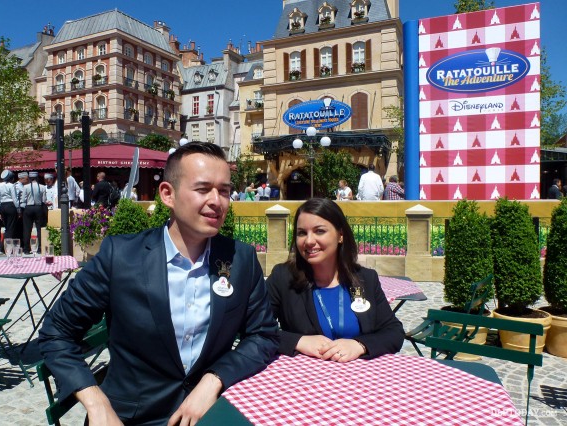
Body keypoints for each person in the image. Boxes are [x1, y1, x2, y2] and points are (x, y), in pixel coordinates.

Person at [39, 141, 279, 425]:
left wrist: (214, 380)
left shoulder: (241, 258)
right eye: (203, 189)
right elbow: (57, 333)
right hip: (129, 417)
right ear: (168, 194)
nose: (217, 201)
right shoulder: (121, 256)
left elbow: (263, 335)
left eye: (224, 190)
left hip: (207, 413)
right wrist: (96, 401)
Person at [266, 198, 404, 362]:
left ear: (340, 235)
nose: (309, 241)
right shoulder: (283, 278)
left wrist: (359, 345)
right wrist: (298, 341)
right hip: (304, 381)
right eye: (302, 233)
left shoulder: (366, 279)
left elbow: (393, 332)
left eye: (319, 231)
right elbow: (254, 329)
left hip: (360, 380)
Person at [21, 171, 46, 254]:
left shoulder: (26, 187)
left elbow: (23, 199)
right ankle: (40, 248)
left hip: (29, 207)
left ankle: (26, 249)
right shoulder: (42, 187)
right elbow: (44, 200)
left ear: (30, 178)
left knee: (27, 229)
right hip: (39, 208)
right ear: (37, 178)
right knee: (40, 229)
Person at [0, 170, 20, 249]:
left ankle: (4, 246)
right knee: (11, 227)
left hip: (2, 205)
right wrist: (18, 209)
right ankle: (5, 246)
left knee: (7, 227)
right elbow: (14, 198)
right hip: (10, 205)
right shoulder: (11, 185)